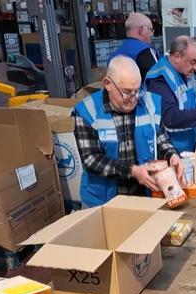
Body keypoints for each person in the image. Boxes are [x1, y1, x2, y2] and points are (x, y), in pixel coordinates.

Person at [72, 56, 183, 207]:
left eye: (137, 91)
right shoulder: (87, 111)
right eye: (127, 92)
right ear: (108, 84)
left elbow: (160, 139)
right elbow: (91, 160)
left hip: (144, 197)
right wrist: (132, 171)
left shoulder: (148, 103)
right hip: (103, 202)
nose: (133, 98)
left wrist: (172, 155)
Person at [110, 12, 159, 81]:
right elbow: (158, 80)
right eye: (151, 29)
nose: (152, 34)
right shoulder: (145, 51)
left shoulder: (114, 54)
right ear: (142, 30)